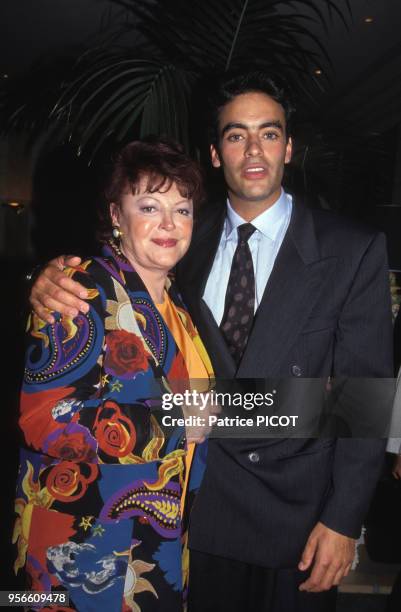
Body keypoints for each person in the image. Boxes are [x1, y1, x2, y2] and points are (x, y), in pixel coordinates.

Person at [29, 71, 393, 612]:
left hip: (294, 523)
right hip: (187, 521)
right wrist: (53, 276)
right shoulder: (181, 244)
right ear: (216, 153)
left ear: (289, 147)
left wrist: (343, 520)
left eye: (269, 134)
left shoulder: (352, 249)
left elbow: (365, 398)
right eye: (235, 135)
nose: (253, 149)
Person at [13, 138, 213, 611]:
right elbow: (44, 418)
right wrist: (172, 423)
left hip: (158, 544)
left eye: (182, 209)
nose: (169, 223)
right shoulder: (80, 289)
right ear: (116, 215)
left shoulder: (180, 308)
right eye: (149, 205)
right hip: (86, 550)